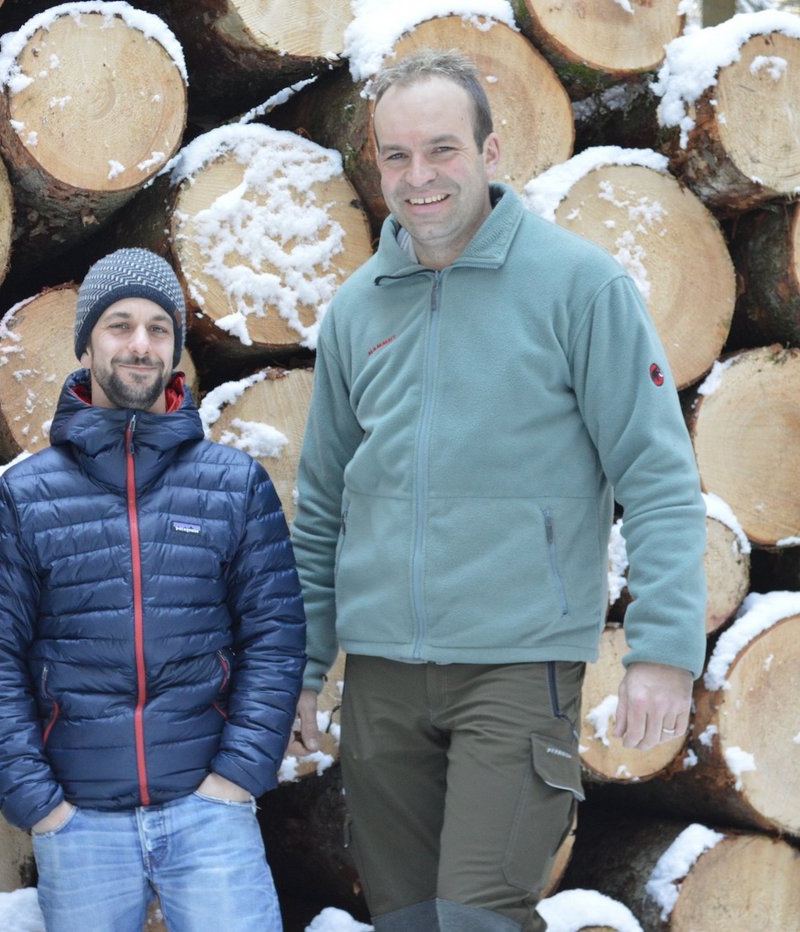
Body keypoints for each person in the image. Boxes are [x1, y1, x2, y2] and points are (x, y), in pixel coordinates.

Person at [287, 50, 707, 931]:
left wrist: (663, 648)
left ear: (491, 152)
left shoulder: (580, 288)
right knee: (407, 919)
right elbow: (323, 503)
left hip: (516, 671)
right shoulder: (358, 310)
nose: (419, 177)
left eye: (442, 149)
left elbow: (659, 475)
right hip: (382, 684)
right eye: (396, 156)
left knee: (477, 915)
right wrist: (300, 669)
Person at [0, 248, 306, 931]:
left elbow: (276, 635)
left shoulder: (231, 484)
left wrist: (237, 776)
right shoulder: (27, 495)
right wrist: (41, 805)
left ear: (176, 348)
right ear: (86, 342)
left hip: (209, 810)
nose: (140, 344)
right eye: (119, 325)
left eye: (158, 328)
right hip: (81, 823)